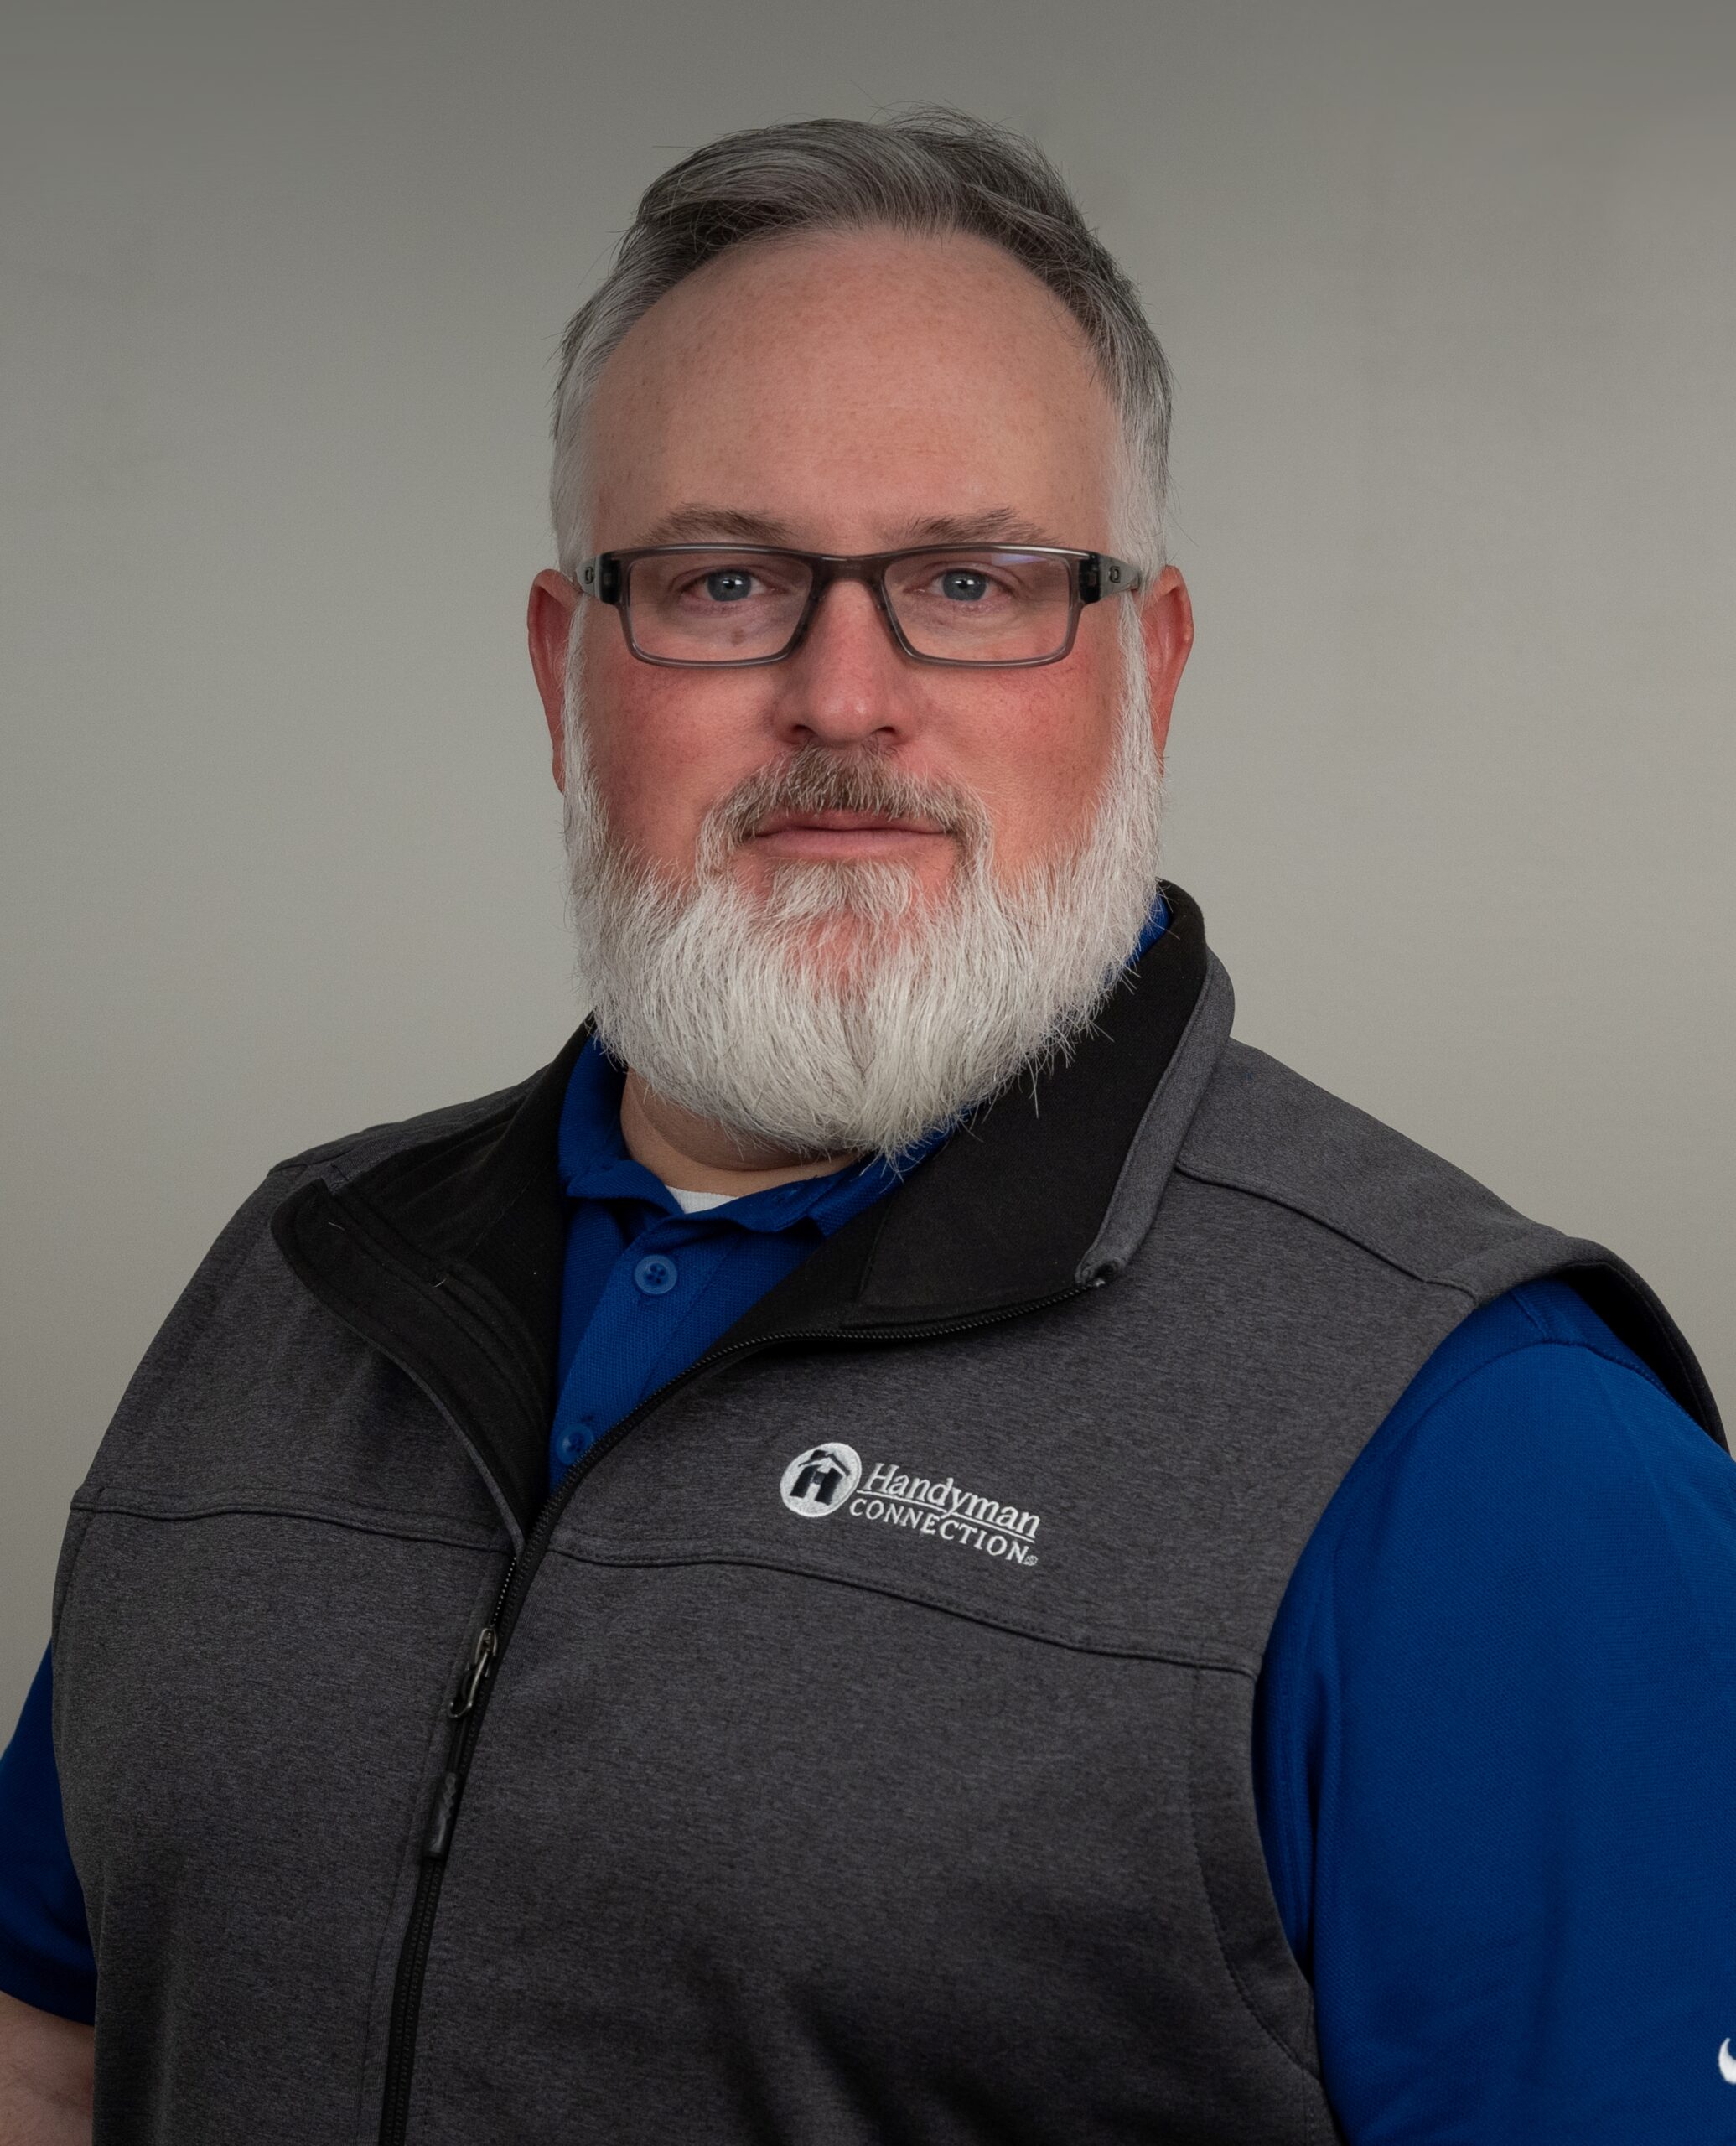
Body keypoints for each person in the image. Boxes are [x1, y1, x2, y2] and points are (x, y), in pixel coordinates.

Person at [2, 110, 1731, 2146]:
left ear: (1144, 668)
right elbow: (51, 2042)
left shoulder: (1487, 1450)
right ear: (569, 669)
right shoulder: (293, 1291)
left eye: (970, 580)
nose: (843, 693)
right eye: (723, 578)